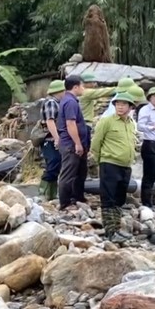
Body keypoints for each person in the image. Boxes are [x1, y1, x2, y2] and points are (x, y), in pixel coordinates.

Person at [91, 92, 138, 242]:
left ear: (130, 107)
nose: (120, 106)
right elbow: (95, 144)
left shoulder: (131, 123)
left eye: (124, 104)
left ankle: (117, 228)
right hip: (109, 163)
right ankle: (110, 232)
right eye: (117, 104)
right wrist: (102, 161)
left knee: (120, 198)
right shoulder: (107, 121)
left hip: (125, 166)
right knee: (108, 198)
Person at [57, 75, 89, 209]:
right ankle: (65, 202)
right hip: (71, 144)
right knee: (68, 173)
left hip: (74, 143)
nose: (84, 88)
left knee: (80, 172)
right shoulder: (70, 102)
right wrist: (77, 143)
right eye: (82, 85)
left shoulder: (69, 100)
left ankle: (77, 197)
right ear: (75, 87)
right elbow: (70, 123)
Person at [136, 87, 155, 208]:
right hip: (149, 143)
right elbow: (139, 126)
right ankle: (146, 203)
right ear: (149, 98)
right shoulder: (145, 110)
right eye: (154, 96)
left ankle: (150, 201)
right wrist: (151, 127)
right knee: (148, 175)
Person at [39, 80, 65, 201]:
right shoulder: (51, 102)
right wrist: (57, 138)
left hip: (52, 138)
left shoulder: (57, 102)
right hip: (49, 139)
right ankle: (43, 194)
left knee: (56, 164)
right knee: (53, 162)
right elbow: (50, 121)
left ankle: (51, 195)